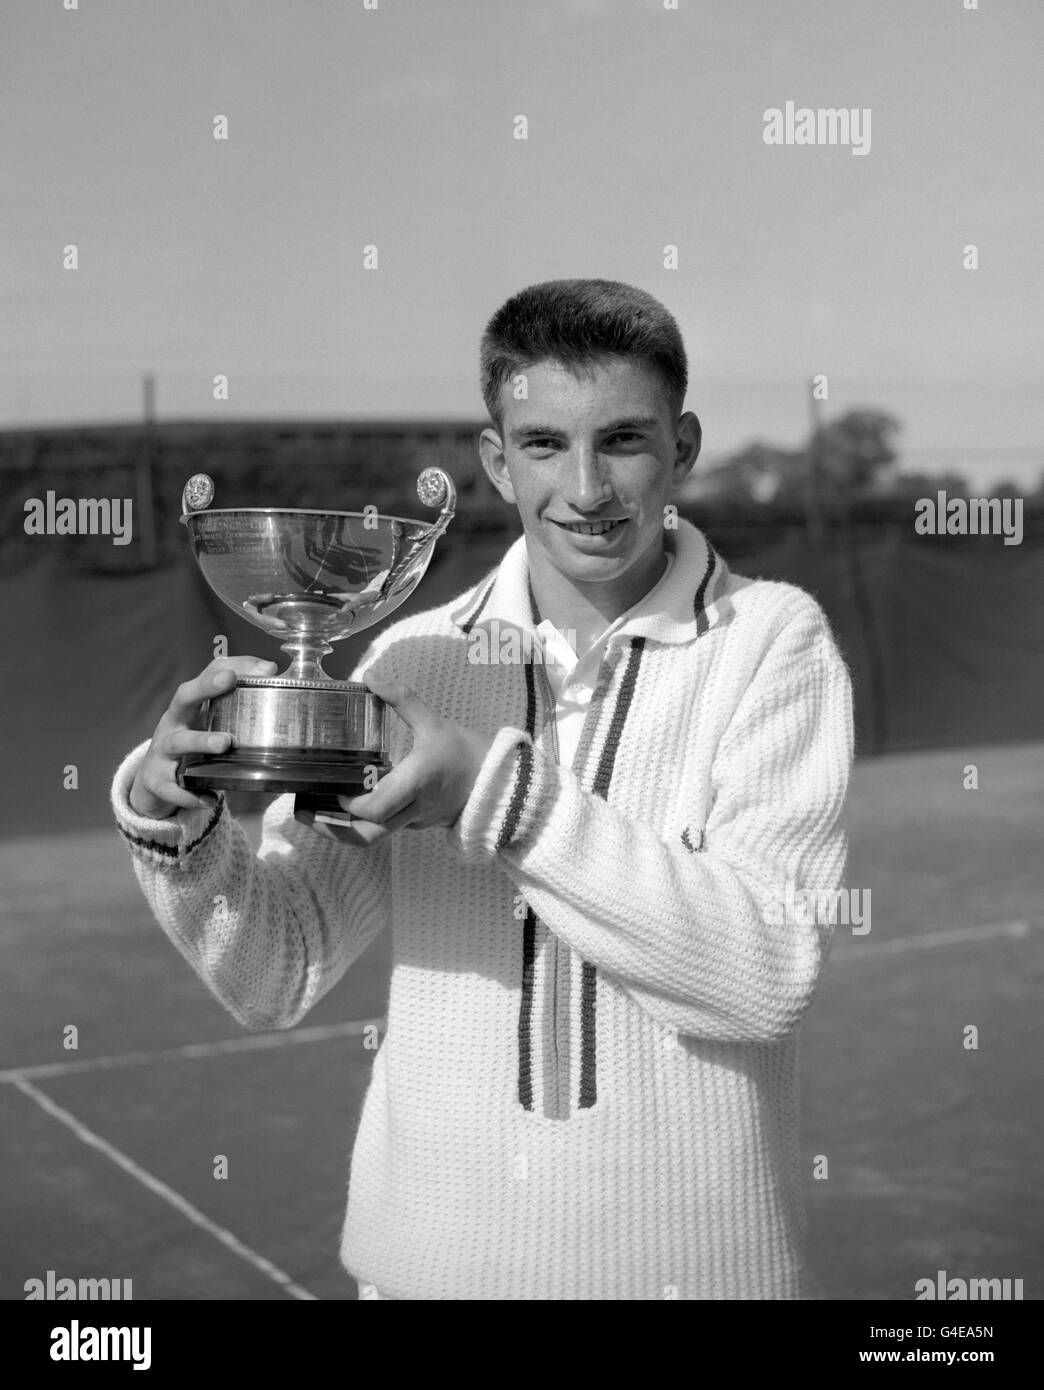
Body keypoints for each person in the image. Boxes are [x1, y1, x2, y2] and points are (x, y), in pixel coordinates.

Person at [111, 278, 853, 1300]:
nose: (586, 487)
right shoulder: (413, 659)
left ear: (683, 447)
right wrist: (179, 826)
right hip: (429, 1275)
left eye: (624, 441)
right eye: (545, 444)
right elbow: (276, 970)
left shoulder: (775, 643)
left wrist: (491, 792)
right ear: (497, 460)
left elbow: (765, 973)